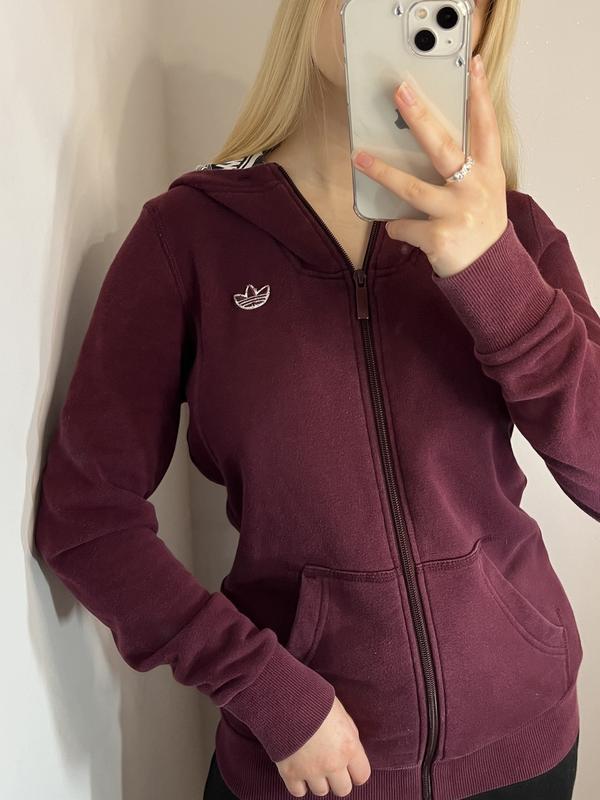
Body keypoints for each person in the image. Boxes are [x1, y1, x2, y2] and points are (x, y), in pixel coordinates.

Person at [33, 0, 597, 798]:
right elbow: (84, 517)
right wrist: (262, 687)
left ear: (476, 29)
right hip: (306, 766)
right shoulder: (188, 239)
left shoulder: (515, 232)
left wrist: (491, 270)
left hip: (524, 751)